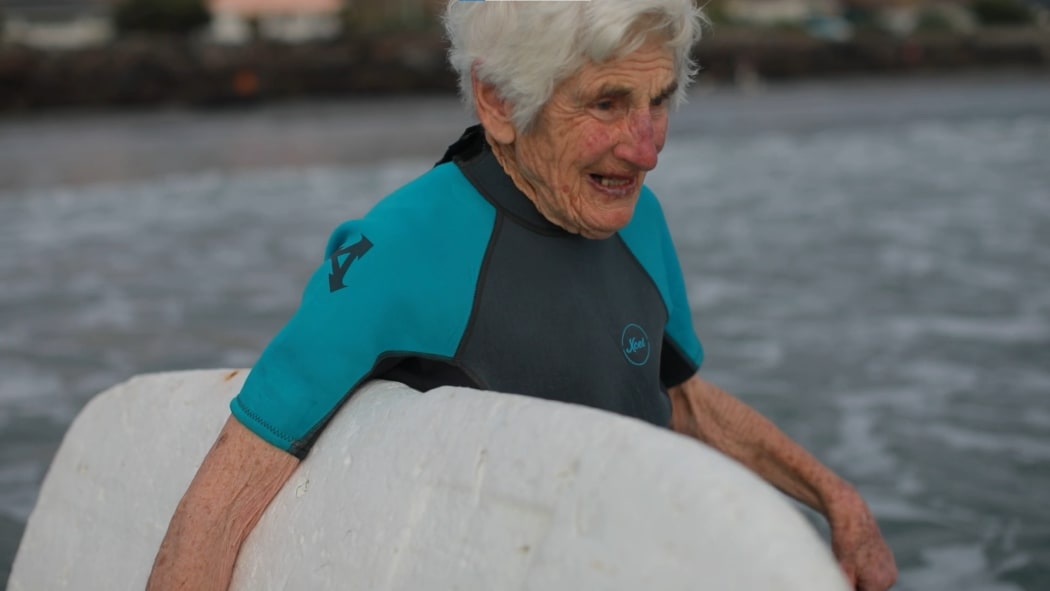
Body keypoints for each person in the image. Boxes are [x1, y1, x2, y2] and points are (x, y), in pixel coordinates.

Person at [147, 1, 898, 590]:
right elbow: (217, 509)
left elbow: (678, 400)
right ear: (499, 101)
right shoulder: (400, 252)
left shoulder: (638, 222)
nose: (648, 147)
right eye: (607, 103)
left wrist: (833, 496)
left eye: (659, 99)